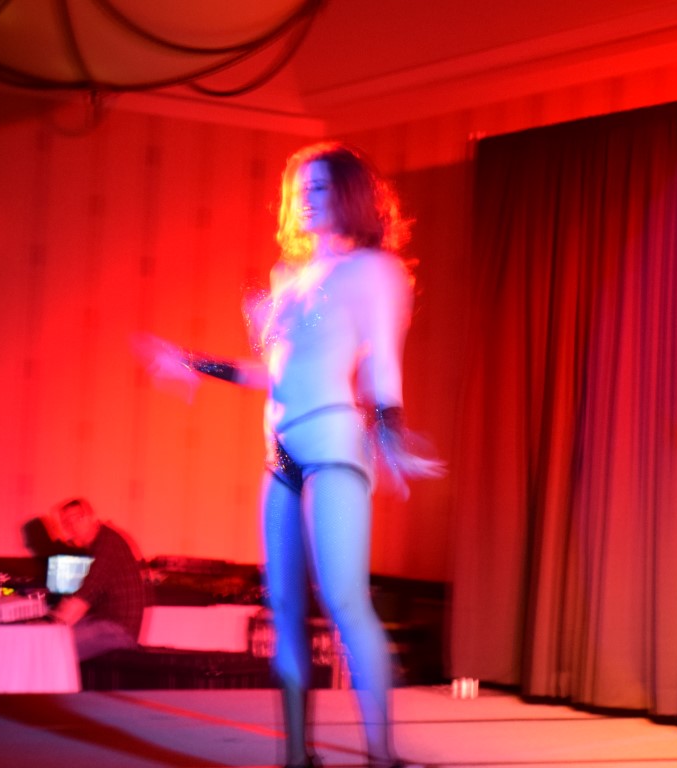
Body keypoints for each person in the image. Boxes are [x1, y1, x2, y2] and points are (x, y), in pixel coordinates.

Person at [137, 142, 442, 768]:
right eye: (300, 189)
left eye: (320, 187)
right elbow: (271, 373)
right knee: (283, 609)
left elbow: (382, 361)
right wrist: (195, 364)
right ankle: (297, 757)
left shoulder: (374, 270)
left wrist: (391, 431)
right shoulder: (287, 279)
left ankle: (382, 755)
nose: (306, 199)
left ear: (350, 195)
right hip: (278, 454)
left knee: (344, 600)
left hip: (331, 444)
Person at [49, 497, 147, 661]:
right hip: (104, 623)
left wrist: (48, 625)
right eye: (66, 523)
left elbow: (83, 598)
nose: (71, 527)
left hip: (117, 631)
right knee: (54, 638)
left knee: (53, 645)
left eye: (76, 519)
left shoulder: (107, 545)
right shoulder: (100, 543)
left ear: (91, 517)